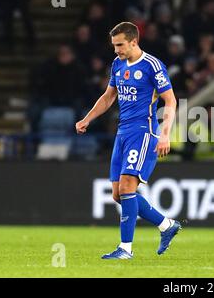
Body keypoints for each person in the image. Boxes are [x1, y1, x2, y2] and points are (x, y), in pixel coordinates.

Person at [75, 22, 181, 259]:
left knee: (126, 188)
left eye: (120, 45)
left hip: (144, 132)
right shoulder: (117, 64)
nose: (116, 50)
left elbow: (171, 101)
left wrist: (165, 134)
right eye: (114, 45)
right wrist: (87, 119)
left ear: (134, 41)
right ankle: (166, 225)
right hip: (123, 132)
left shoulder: (152, 66)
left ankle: (125, 249)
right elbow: (108, 96)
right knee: (117, 194)